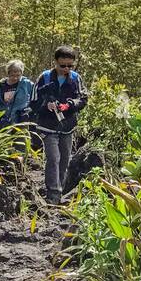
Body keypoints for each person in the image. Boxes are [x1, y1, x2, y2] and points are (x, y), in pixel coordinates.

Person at [30, 45, 88, 200]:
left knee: (64, 159)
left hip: (67, 125)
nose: (66, 69)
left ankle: (61, 190)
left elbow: (83, 99)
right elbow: (33, 101)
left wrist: (69, 105)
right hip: (47, 125)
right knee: (53, 158)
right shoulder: (45, 77)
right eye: (63, 66)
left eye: (70, 66)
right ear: (55, 62)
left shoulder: (76, 78)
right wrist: (45, 105)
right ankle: (53, 193)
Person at [0, 60, 34, 126]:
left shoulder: (27, 84)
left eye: (18, 75)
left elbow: (35, 99)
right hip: (2, 122)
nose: (15, 78)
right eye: (12, 75)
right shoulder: (0, 85)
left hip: (21, 121)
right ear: (8, 73)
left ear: (22, 73)